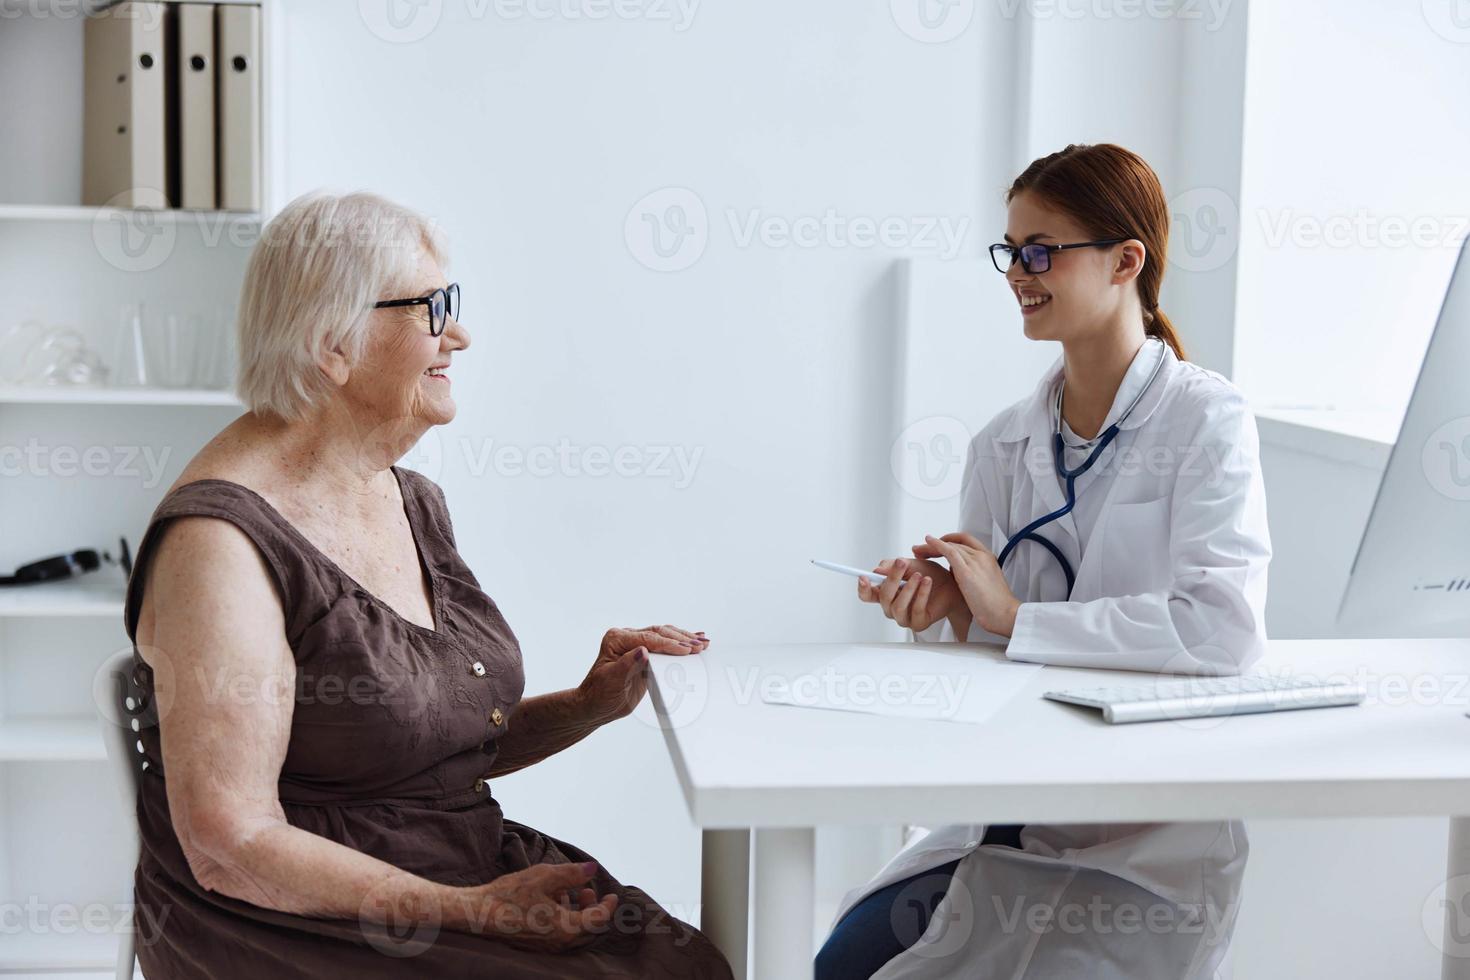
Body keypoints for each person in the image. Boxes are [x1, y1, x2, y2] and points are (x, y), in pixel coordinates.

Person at [122, 191, 733, 978]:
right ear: (331, 345)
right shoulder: (220, 546)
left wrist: (587, 707)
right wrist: (473, 910)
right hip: (294, 918)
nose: (462, 335)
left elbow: (419, 751)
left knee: (685, 965)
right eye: (431, 308)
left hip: (442, 860)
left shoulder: (404, 496)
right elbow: (229, 846)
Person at [817, 143, 1271, 979]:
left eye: (1040, 251)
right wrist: (947, 615)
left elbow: (1222, 630)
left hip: (1143, 839)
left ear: (1125, 259)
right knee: (841, 964)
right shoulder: (1001, 445)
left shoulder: (1206, 421)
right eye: (1011, 252)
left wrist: (1013, 615)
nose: (1017, 272)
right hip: (1010, 809)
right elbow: (989, 655)